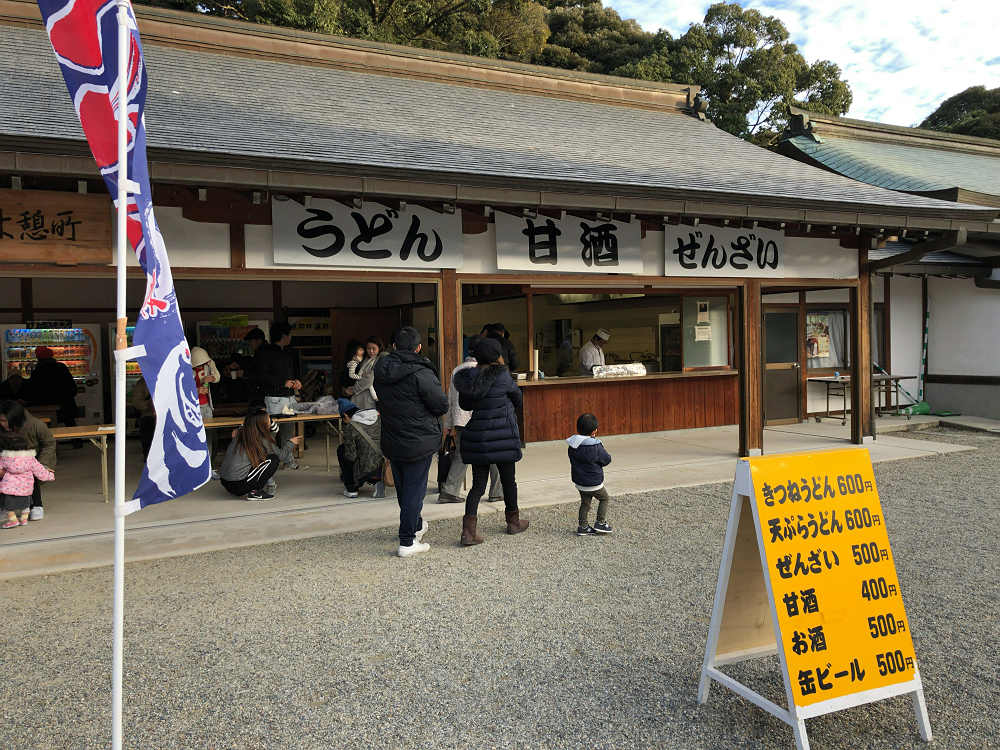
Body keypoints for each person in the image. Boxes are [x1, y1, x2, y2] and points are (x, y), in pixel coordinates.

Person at [374, 326, 448, 557]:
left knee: (405, 489)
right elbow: (441, 405)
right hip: (419, 439)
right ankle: (407, 541)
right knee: (414, 491)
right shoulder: (421, 372)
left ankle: (415, 525)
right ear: (418, 348)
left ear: (394, 347)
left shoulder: (381, 370)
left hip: (393, 437)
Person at [453, 336, 529, 546]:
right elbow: (518, 399)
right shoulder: (503, 376)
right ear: (497, 355)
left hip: (478, 437)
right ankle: (513, 522)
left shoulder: (470, 378)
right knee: (508, 481)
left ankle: (468, 532)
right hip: (503, 437)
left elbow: (466, 405)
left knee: (478, 485)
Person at [439, 340, 502, 505]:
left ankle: (449, 491)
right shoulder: (486, 371)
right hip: (483, 419)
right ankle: (497, 491)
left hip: (461, 421)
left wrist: (448, 425)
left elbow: (451, 400)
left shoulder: (457, 370)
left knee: (461, 455)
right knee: (495, 454)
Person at [218, 409, 302, 500]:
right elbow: (282, 456)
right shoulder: (261, 439)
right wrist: (291, 443)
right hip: (239, 485)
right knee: (273, 459)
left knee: (261, 459)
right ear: (263, 424)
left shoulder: (240, 433)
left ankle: (259, 487)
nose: (270, 421)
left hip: (225, 482)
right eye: (268, 419)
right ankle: (254, 492)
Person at [0, 400, 56, 521]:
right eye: (1, 420)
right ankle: (4, 507)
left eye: (5, 421)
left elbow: (49, 444)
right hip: (6, 459)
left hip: (33, 458)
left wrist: (44, 464)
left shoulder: (36, 425)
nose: (2, 423)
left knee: (30, 471)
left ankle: (36, 505)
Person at [251, 322, 301, 455]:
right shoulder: (265, 353)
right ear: (284, 336)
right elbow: (261, 376)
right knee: (271, 430)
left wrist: (296, 381)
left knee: (288, 430)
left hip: (289, 396)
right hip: (273, 398)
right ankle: (267, 458)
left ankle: (287, 458)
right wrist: (282, 383)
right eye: (289, 335)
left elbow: (292, 374)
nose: (291, 337)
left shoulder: (288, 352)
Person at [567, 413, 613, 536]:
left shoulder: (573, 445)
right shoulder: (596, 446)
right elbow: (606, 459)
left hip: (580, 483)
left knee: (585, 503)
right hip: (594, 483)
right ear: (594, 431)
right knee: (604, 498)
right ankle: (600, 522)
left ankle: (583, 527)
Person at [0, 432, 54, 528]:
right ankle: (24, 520)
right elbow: (39, 470)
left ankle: (13, 521)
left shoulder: (5, 459)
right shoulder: (30, 459)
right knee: (26, 507)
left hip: (10, 489)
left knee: (8, 508)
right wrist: (49, 475)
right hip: (26, 489)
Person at [336, 398, 386, 499]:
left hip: (365, 468)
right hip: (383, 464)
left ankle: (352, 489)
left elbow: (351, 456)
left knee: (342, 450)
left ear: (345, 415)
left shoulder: (351, 427)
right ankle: (379, 481)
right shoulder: (378, 418)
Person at [25, 346, 79, 429]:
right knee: (71, 424)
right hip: (65, 403)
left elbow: (33, 390)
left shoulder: (38, 370)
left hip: (46, 405)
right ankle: (77, 440)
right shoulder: (61, 366)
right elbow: (72, 386)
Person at [191, 346, 221, 467]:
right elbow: (183, 388)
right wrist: (197, 390)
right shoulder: (187, 369)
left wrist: (212, 377)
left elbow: (218, 377)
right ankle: (198, 465)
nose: (201, 365)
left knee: (209, 435)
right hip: (194, 407)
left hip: (206, 405)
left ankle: (209, 464)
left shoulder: (208, 364)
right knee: (196, 436)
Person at [350, 337, 383, 411]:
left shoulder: (379, 360)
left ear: (379, 348)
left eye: (374, 348)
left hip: (368, 396)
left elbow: (369, 379)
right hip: (361, 394)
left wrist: (354, 389)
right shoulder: (366, 359)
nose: (371, 351)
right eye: (368, 348)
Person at [130, 377, 156, 460]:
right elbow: (136, 402)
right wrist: (149, 405)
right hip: (148, 415)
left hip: (164, 415)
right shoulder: (142, 383)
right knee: (148, 434)